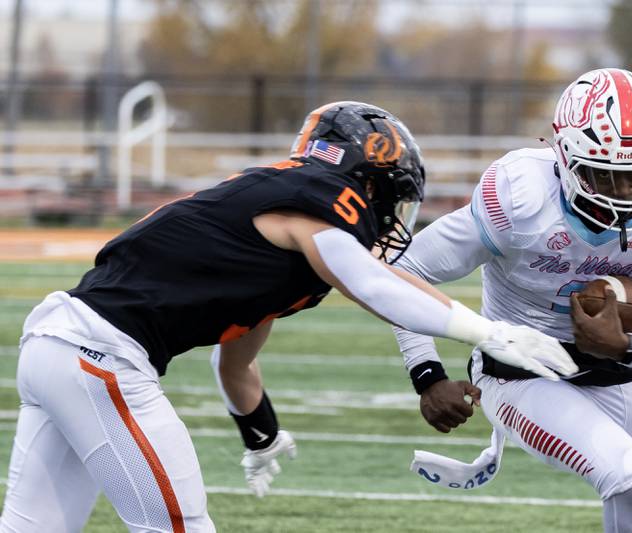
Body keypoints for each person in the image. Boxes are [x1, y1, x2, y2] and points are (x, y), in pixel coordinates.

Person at [0, 101, 577, 533]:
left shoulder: (269, 240)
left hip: (56, 348)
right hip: (99, 358)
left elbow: (238, 362)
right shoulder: (317, 199)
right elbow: (371, 282)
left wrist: (262, 435)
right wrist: (490, 332)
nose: (393, 218)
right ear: (365, 182)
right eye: (391, 198)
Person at [394, 69, 632, 532]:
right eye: (607, 176)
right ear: (564, 158)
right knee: (626, 472)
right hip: (518, 374)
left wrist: (625, 347)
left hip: (611, 372)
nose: (627, 194)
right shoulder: (521, 202)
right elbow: (406, 272)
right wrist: (426, 374)